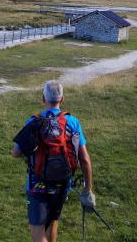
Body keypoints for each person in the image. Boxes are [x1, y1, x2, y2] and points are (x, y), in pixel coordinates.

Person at [12, 82, 95, 242]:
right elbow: (84, 159)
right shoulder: (73, 122)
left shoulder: (34, 121)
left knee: (38, 233)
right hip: (63, 183)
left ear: (43, 99)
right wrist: (87, 190)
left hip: (37, 184)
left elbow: (15, 153)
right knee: (53, 222)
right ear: (62, 99)